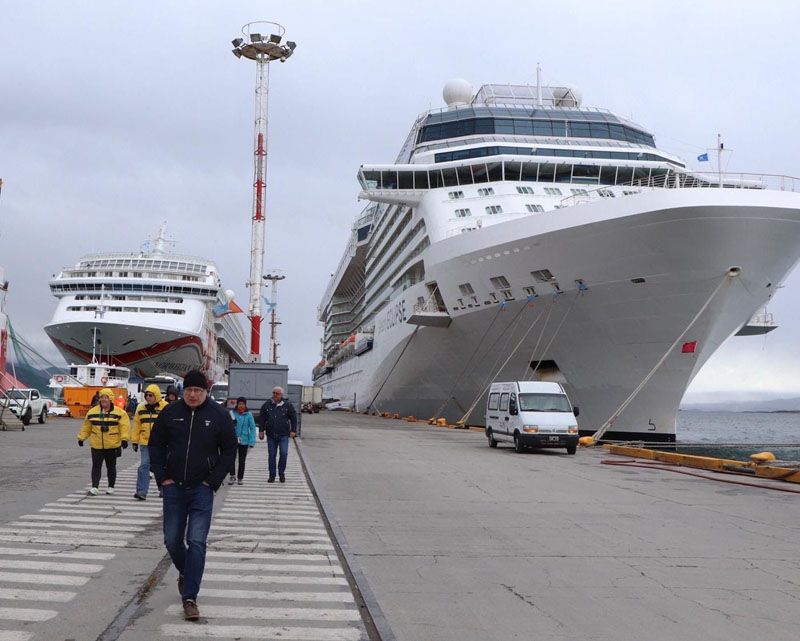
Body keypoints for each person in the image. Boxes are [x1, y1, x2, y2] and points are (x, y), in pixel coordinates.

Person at [148, 370, 236, 621]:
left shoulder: (219, 415)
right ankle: (188, 572)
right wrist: (161, 476)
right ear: (183, 391)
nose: (193, 395)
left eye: (198, 390)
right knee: (172, 540)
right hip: (173, 487)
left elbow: (229, 451)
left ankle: (189, 598)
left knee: (197, 541)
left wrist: (212, 481)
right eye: (189, 390)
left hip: (202, 489)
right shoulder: (170, 413)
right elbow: (155, 444)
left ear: (206, 391)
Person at [77, 388, 130, 496]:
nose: (103, 400)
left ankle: (111, 486)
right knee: (96, 466)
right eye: (102, 397)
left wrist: (124, 439)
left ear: (111, 399)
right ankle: (95, 487)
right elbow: (87, 427)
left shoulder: (120, 413)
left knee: (111, 466)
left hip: (112, 444)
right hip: (96, 444)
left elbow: (125, 427)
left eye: (106, 397)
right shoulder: (92, 412)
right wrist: (81, 438)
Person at [131, 384, 168, 500]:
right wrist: (135, 441)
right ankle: (141, 492)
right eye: (146, 395)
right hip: (145, 442)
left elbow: (171, 425)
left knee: (161, 466)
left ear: (156, 396)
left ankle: (164, 489)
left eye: (150, 395)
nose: (148, 397)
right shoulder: (141, 408)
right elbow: (137, 425)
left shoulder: (165, 407)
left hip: (161, 443)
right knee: (144, 466)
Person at [258, 386, 297, 483]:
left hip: (283, 434)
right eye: (274, 393)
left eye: (277, 393)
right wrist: (261, 431)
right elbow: (261, 419)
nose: (275, 395)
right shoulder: (266, 405)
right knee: (272, 455)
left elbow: (294, 418)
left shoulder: (288, 405)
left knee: (284, 454)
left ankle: (281, 473)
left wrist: (293, 430)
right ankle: (272, 475)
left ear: (281, 395)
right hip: (271, 435)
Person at [228, 396, 257, 485]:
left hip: (244, 440)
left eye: (243, 404)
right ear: (237, 404)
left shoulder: (249, 414)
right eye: (239, 404)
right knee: (231, 458)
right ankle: (232, 476)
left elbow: (252, 428)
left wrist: (252, 441)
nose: (241, 405)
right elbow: (227, 426)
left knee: (242, 460)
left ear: (245, 405)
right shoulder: (232, 413)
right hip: (233, 439)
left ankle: (240, 478)